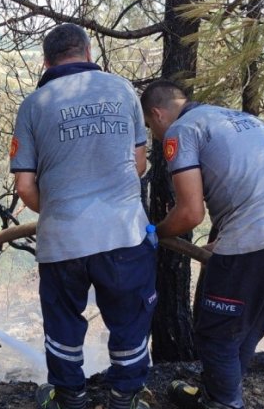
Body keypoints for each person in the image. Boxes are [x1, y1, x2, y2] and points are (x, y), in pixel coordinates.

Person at [140, 79, 264, 409]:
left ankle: (224, 402)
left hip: (257, 244)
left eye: (151, 126)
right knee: (245, 330)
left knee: (216, 333)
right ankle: (216, 395)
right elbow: (257, 187)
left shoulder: (182, 130)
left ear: (157, 113)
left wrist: (155, 231)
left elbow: (190, 213)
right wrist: (226, 242)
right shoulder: (245, 120)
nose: (155, 134)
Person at [11, 23, 157, 409]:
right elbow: (138, 162)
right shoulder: (122, 88)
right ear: (89, 53)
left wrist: (58, 205)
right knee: (128, 318)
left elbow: (24, 187)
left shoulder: (32, 105)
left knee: (63, 322)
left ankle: (70, 398)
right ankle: (125, 397)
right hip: (124, 234)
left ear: (46, 61)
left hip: (63, 240)